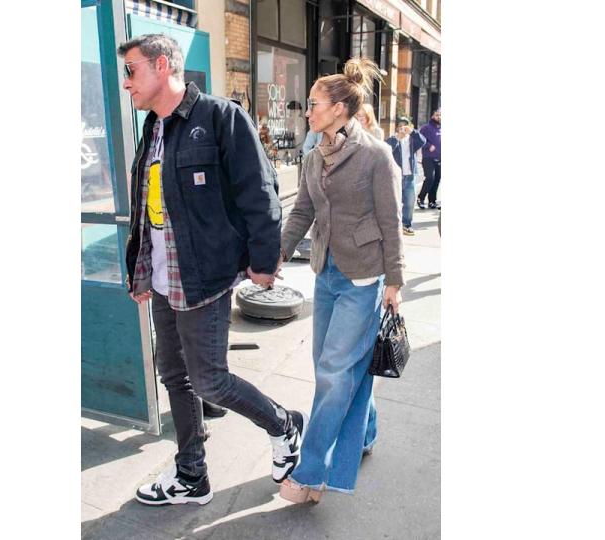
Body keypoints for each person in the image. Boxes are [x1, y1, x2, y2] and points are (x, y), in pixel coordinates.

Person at [118, 34, 307, 507]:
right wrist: (139, 270)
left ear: (162, 66)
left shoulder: (221, 117)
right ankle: (190, 475)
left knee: (210, 381)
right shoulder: (153, 129)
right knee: (175, 377)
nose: (127, 83)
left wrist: (264, 263)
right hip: (163, 279)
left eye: (132, 70)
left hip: (205, 277)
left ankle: (284, 424)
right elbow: (148, 207)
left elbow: (259, 193)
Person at [277, 57, 405, 504]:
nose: (307, 110)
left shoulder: (375, 155)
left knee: (335, 373)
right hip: (326, 273)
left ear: (338, 109)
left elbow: (391, 221)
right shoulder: (314, 156)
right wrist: (276, 256)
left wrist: (395, 279)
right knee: (333, 368)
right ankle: (365, 431)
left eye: (313, 104)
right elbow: (302, 212)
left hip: (364, 278)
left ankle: (311, 474)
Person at [385, 117, 426, 235]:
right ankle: (394, 225)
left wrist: (412, 132)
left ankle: (406, 224)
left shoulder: (412, 139)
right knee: (395, 202)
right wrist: (398, 138)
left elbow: (423, 141)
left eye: (405, 125)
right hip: (396, 176)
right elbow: (387, 148)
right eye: (400, 126)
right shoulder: (393, 138)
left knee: (409, 201)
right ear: (397, 127)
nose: (402, 128)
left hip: (410, 176)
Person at [417, 108, 441, 209]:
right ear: (432, 116)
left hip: (440, 158)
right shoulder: (425, 128)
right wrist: (428, 145)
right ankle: (421, 198)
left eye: (440, 115)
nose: (439, 117)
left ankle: (432, 201)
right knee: (430, 178)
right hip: (428, 158)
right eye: (437, 115)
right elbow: (419, 139)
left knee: (437, 179)